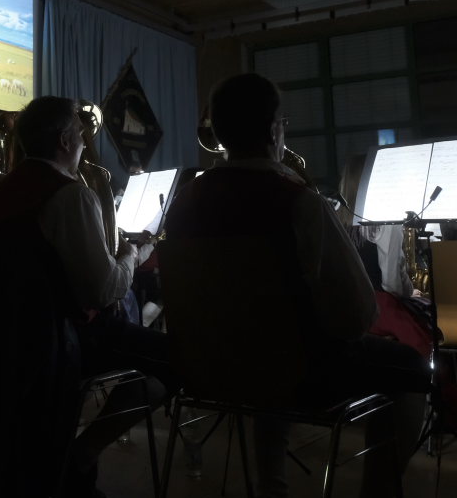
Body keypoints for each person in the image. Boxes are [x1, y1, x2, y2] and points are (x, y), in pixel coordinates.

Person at [163, 73, 430, 498]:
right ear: (274, 130)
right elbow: (358, 315)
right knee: (410, 367)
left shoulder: (182, 204)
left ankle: (272, 484)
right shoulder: (297, 200)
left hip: (202, 370)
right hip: (293, 374)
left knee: (271, 345)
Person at [0, 96, 169, 497]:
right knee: (175, 359)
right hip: (64, 341)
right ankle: (82, 455)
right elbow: (103, 290)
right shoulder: (70, 195)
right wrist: (130, 256)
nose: (83, 142)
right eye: (80, 134)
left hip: (7, 341)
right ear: (64, 140)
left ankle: (67, 459)